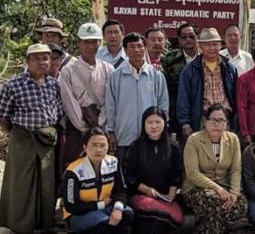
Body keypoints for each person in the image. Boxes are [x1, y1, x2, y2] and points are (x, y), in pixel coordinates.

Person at [0, 43, 63, 234]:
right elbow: (1, 115)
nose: (42, 62)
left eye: (46, 58)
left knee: (46, 182)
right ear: (27, 61)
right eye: (37, 59)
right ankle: (21, 227)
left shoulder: (54, 84)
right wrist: (14, 132)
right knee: (22, 182)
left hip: (47, 138)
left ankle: (45, 224)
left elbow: (58, 111)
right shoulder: (13, 85)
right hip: (23, 138)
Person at [62, 127, 134, 234]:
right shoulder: (73, 171)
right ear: (85, 147)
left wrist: (118, 208)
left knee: (127, 213)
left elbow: (121, 191)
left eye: (102, 145)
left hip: (106, 209)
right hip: (79, 214)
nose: (98, 150)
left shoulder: (113, 162)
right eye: (94, 145)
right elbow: (71, 207)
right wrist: (100, 205)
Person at [182, 105, 247, 234]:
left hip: (224, 187)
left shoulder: (233, 139)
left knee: (241, 205)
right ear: (205, 121)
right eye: (213, 120)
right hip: (197, 188)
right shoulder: (194, 140)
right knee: (213, 200)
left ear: (227, 123)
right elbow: (193, 173)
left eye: (221, 120)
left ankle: (209, 225)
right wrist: (217, 189)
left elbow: (236, 169)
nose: (217, 124)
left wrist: (234, 193)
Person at [59, 23, 114, 178]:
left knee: (102, 169)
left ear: (100, 43)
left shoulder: (108, 69)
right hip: (77, 129)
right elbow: (69, 101)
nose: (91, 46)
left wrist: (100, 124)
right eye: (86, 42)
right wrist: (83, 127)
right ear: (79, 43)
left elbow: (110, 100)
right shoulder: (68, 70)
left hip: (101, 128)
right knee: (73, 167)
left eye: (94, 41)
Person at [125, 107, 184, 234]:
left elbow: (176, 174)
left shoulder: (174, 147)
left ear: (165, 123)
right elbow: (129, 176)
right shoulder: (135, 146)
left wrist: (171, 193)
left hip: (164, 198)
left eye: (158, 122)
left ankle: (159, 226)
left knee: (177, 217)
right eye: (150, 122)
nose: (154, 126)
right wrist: (146, 190)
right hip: (142, 196)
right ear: (143, 124)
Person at [106, 32, 169, 160]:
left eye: (140, 46)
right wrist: (111, 131)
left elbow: (163, 105)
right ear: (125, 50)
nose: (136, 50)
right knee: (125, 170)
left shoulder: (156, 75)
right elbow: (110, 106)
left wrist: (162, 129)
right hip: (124, 136)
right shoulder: (116, 76)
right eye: (132, 47)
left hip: (151, 136)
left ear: (145, 48)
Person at [178, 27, 238, 142]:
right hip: (202, 119)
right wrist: (185, 123)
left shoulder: (229, 68)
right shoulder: (190, 70)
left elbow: (235, 97)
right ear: (200, 46)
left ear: (220, 45)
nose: (211, 48)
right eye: (207, 45)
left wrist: (236, 122)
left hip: (225, 118)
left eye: (215, 44)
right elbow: (183, 98)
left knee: (224, 151)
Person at [162, 23, 199, 135]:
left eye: (191, 36)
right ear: (179, 39)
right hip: (176, 115)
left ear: (197, 37)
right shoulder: (169, 60)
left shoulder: (205, 58)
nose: (188, 39)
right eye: (184, 37)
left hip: (200, 114)